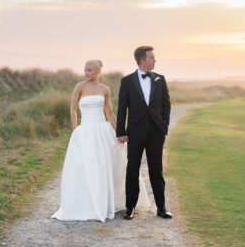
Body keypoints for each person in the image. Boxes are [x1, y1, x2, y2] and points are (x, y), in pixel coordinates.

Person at [51, 59, 149, 222]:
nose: (86, 73)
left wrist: (120, 131)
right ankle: (88, 203)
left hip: (102, 131)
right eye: (85, 70)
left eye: (89, 70)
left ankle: (108, 202)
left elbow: (109, 113)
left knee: (107, 165)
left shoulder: (105, 89)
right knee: (87, 166)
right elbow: (73, 109)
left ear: (98, 72)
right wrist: (76, 129)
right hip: (86, 130)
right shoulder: (79, 87)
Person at [116, 46, 172, 219]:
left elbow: (166, 105)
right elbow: (122, 108)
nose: (155, 60)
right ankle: (130, 207)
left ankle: (161, 208)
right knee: (132, 169)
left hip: (156, 132)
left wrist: (164, 125)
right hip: (135, 132)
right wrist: (121, 131)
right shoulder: (127, 81)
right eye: (152, 58)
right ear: (142, 60)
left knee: (156, 170)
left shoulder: (160, 80)